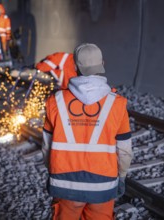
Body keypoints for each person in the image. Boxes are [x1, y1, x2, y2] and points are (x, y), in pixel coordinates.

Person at [42, 43, 133, 219]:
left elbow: (47, 147)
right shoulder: (117, 103)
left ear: (75, 67)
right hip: (103, 185)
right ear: (103, 64)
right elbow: (124, 151)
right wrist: (121, 176)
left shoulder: (55, 101)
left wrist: (53, 172)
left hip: (64, 183)